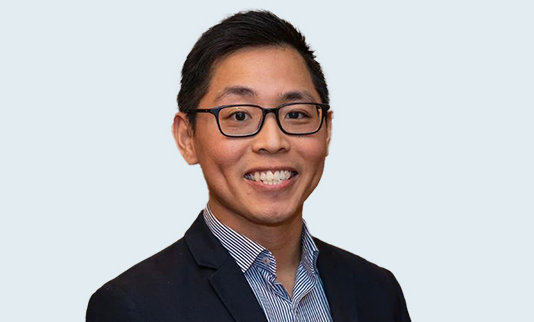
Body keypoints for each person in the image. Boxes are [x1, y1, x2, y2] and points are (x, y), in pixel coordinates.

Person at [86, 10, 411, 322]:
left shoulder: (378, 292)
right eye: (239, 116)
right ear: (187, 137)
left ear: (327, 131)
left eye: (296, 114)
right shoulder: (134, 306)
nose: (272, 141)